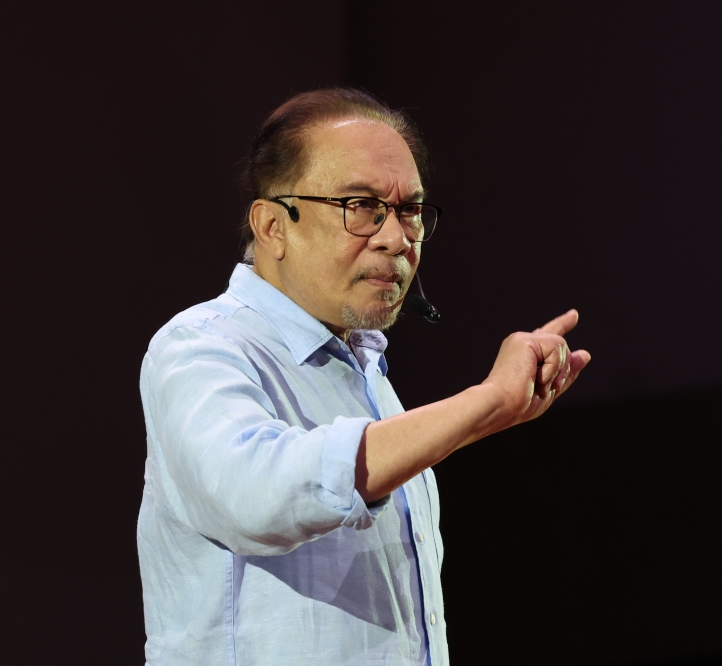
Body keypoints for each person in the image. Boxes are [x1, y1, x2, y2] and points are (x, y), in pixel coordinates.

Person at [137, 88, 590, 665]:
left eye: (410, 211)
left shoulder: (367, 372)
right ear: (273, 225)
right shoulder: (202, 346)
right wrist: (485, 402)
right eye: (362, 206)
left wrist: (494, 411)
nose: (397, 237)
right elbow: (259, 492)